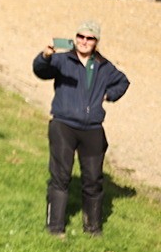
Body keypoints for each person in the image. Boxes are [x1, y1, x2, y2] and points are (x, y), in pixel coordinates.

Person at [33, 21, 129, 237]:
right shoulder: (62, 59)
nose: (84, 42)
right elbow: (40, 70)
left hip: (93, 129)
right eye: (81, 37)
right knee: (60, 177)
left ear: (96, 42)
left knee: (93, 180)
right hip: (63, 126)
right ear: (75, 38)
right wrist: (45, 55)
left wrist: (108, 95)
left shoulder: (104, 66)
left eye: (90, 38)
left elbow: (123, 82)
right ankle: (55, 228)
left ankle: (93, 229)